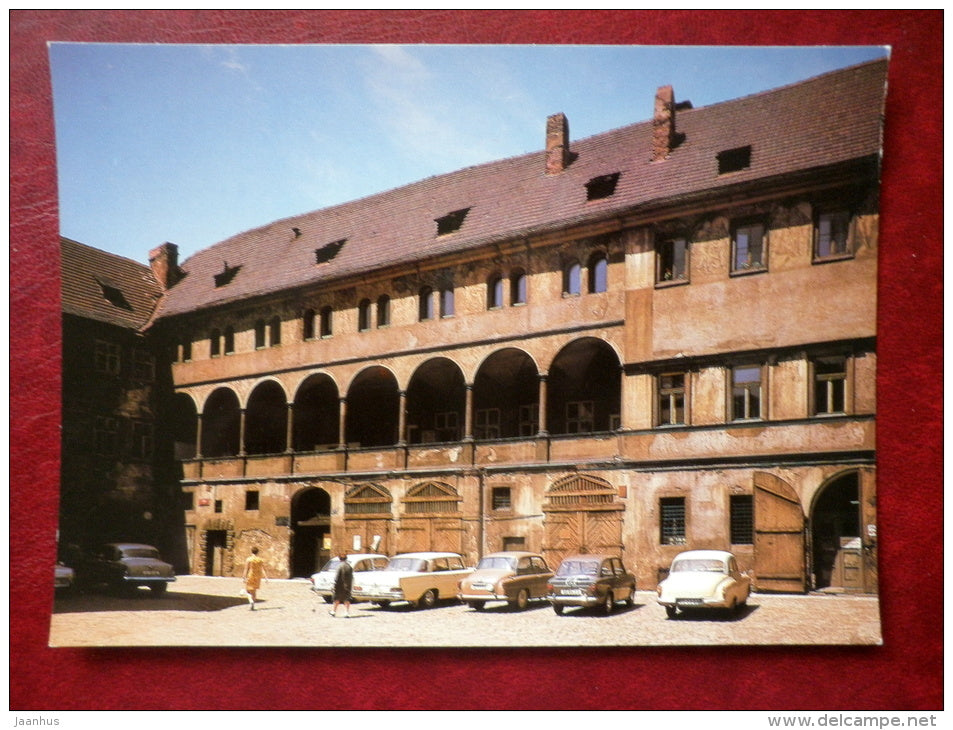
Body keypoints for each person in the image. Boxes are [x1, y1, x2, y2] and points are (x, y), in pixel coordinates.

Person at [329, 551, 353, 618]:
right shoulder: (349, 567)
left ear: (340, 559)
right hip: (347, 585)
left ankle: (333, 611)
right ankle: (347, 612)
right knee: (347, 599)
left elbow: (336, 577)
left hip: (339, 586)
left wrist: (334, 585)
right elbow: (351, 577)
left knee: (336, 598)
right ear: (346, 559)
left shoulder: (339, 566)